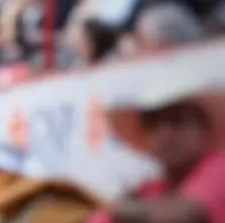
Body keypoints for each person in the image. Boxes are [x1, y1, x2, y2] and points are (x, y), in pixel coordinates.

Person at [89, 75, 225, 223]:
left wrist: (122, 209)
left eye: (177, 120)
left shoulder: (220, 166)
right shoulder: (151, 189)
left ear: (204, 128)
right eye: (153, 124)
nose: (165, 134)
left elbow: (184, 214)